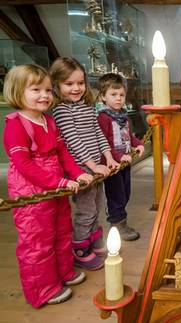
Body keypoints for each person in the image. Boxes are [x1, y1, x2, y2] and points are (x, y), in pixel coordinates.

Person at [2, 65, 93, 307]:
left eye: (48, 90)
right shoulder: (15, 124)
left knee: (62, 231)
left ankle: (63, 273)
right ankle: (42, 289)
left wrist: (77, 173)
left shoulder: (49, 121)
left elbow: (63, 154)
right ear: (17, 91)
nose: (44, 95)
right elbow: (23, 164)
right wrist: (59, 181)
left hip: (57, 188)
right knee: (37, 240)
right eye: (36, 90)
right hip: (31, 191)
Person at [50, 57, 120, 270]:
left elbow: (97, 133)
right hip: (81, 169)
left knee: (97, 204)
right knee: (85, 209)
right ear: (56, 85)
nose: (76, 88)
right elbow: (73, 141)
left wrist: (107, 157)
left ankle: (93, 237)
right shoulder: (61, 110)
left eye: (80, 83)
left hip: (96, 165)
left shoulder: (88, 106)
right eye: (69, 84)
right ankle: (80, 247)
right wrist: (91, 165)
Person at [97, 73, 145, 241]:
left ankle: (121, 222)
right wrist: (118, 156)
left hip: (124, 163)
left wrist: (138, 144)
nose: (118, 98)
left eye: (121, 95)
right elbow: (103, 142)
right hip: (112, 165)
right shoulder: (103, 118)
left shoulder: (124, 116)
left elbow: (129, 136)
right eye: (113, 94)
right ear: (103, 96)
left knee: (125, 193)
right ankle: (117, 225)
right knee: (115, 195)